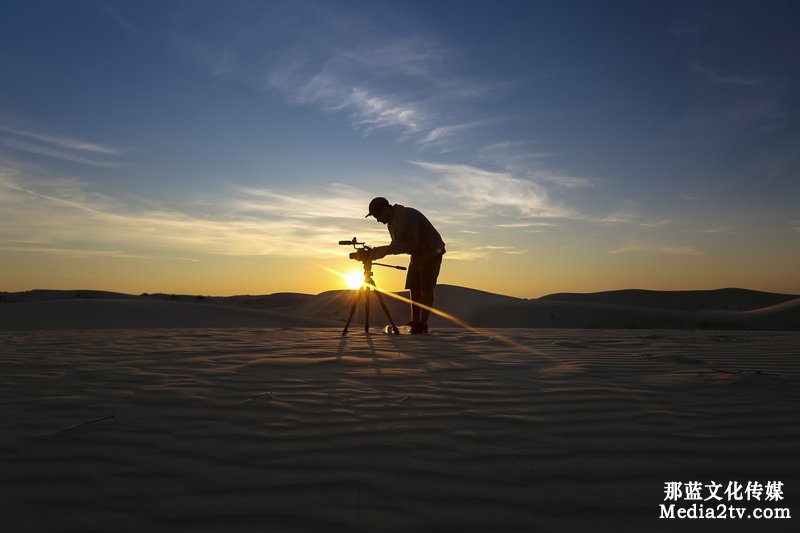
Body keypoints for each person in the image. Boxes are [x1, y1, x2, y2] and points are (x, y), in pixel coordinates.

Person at [364, 197, 446, 334]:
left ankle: (422, 324)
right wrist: (381, 251)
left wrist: (382, 251)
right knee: (413, 287)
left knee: (426, 289)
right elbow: (399, 245)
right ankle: (415, 322)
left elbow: (409, 244)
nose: (378, 220)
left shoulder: (407, 215)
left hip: (431, 251)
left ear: (385, 209)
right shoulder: (392, 222)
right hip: (417, 255)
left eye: (378, 216)